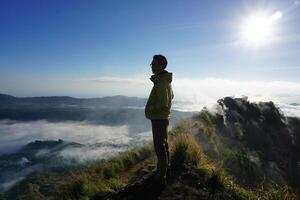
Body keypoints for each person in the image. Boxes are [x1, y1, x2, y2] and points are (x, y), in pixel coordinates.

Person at [145, 54, 174, 188]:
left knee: (159, 147)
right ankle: (166, 168)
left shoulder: (162, 81)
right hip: (162, 117)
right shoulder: (164, 80)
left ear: (161, 65)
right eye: (152, 64)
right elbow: (171, 96)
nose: (152, 66)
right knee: (164, 144)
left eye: (154, 64)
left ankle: (161, 176)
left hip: (159, 118)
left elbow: (163, 101)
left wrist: (152, 107)